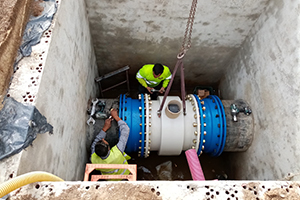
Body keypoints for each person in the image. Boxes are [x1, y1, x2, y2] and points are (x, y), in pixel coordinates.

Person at [90, 109, 130, 180]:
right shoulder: (117, 153)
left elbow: (95, 142)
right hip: (125, 175)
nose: (102, 139)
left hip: (111, 181)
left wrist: (105, 128)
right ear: (109, 148)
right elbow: (126, 130)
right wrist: (116, 117)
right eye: (103, 141)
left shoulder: (93, 159)